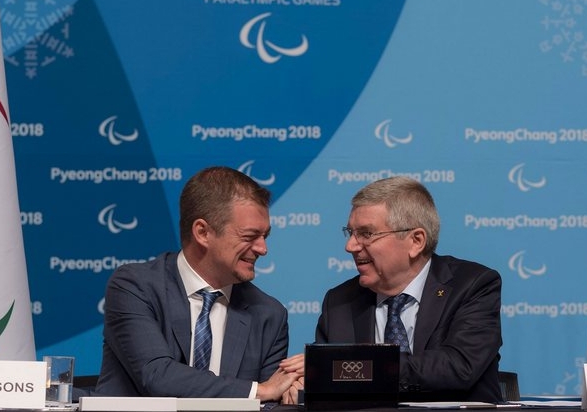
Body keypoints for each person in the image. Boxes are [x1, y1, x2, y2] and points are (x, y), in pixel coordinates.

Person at [96, 166, 301, 401]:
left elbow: (271, 401)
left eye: (265, 236)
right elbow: (157, 375)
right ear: (203, 232)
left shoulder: (269, 315)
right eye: (249, 237)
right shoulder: (135, 287)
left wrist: (290, 389)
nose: (263, 249)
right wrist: (259, 390)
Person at [314, 176, 503, 402]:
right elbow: (325, 382)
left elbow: (459, 366)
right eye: (350, 233)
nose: (350, 246)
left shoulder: (472, 285)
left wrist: (366, 365)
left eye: (366, 234)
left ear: (416, 241)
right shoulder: (339, 302)